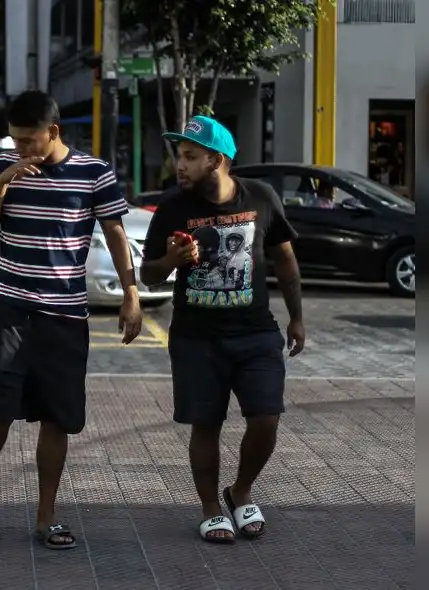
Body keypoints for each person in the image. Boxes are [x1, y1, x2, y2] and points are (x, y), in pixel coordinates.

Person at [0, 90, 144, 550]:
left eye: (29, 141)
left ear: (54, 132)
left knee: (57, 418)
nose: (22, 148)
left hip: (64, 316)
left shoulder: (93, 173)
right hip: (11, 309)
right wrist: (4, 180)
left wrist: (131, 293)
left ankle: (47, 516)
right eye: (15, 140)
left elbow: (116, 233)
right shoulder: (1, 167)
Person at [139, 116, 305, 544]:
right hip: (196, 337)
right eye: (180, 155)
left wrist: (297, 317)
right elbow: (149, 274)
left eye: (191, 156)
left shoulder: (261, 198)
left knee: (266, 419)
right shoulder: (174, 207)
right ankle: (211, 507)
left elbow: (285, 260)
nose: (181, 165)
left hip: (254, 333)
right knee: (205, 425)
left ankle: (241, 491)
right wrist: (173, 261)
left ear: (218, 160)